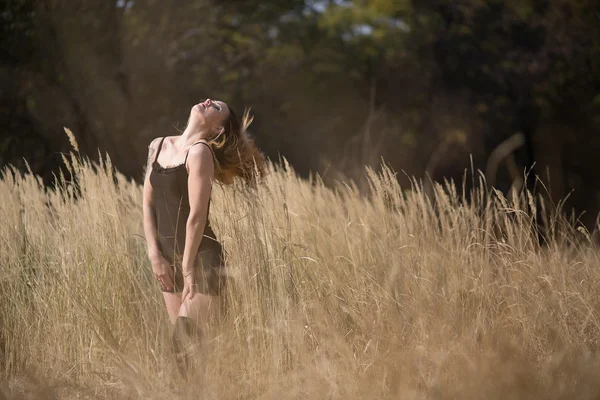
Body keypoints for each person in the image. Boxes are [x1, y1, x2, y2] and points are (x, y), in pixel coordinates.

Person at [142, 98, 264, 375]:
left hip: (201, 262)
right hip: (166, 259)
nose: (208, 101)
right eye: (211, 101)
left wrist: (187, 268)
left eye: (216, 108)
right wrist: (154, 255)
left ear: (217, 130)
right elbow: (147, 206)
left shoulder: (200, 153)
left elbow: (196, 217)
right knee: (189, 356)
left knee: (182, 350)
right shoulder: (157, 145)